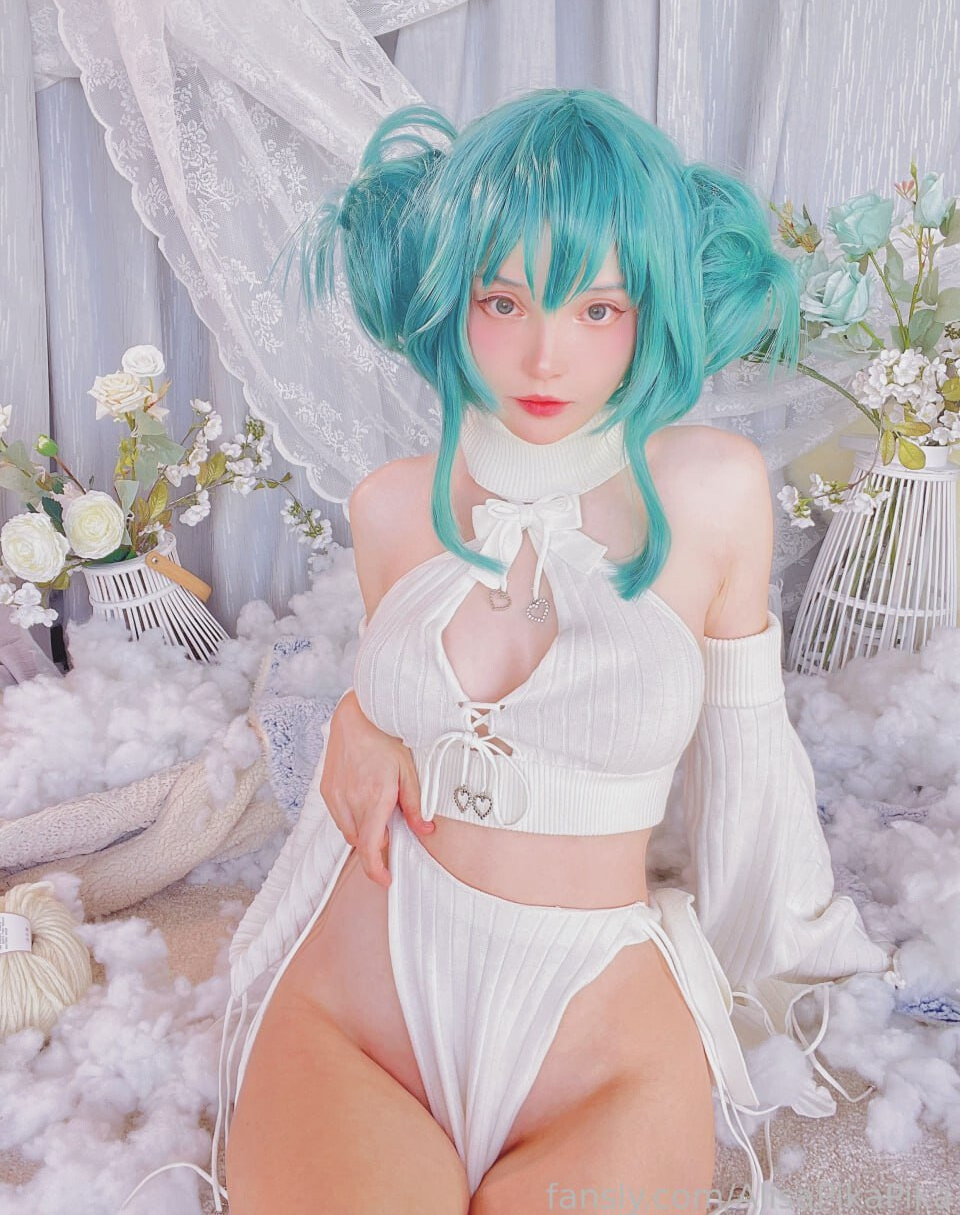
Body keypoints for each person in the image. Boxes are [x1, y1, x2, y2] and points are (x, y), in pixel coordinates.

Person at [121, 88, 900, 1215]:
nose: (544, 354)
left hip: (596, 1029)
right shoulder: (393, 504)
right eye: (504, 300)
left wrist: (784, 953)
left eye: (597, 307)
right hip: (365, 1006)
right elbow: (402, 707)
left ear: (651, 311)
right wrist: (353, 720)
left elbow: (749, 762)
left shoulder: (712, 487)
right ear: (454, 299)